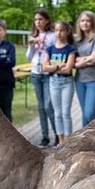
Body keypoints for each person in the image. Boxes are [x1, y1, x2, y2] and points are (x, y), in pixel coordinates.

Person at [26, 8, 58, 147]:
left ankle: (58, 134)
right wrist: (30, 46)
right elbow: (29, 57)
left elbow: (55, 53)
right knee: (40, 107)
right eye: (36, 20)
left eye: (40, 19)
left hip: (47, 74)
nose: (38, 22)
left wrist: (44, 43)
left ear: (47, 20)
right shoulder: (33, 35)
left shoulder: (52, 36)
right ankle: (45, 136)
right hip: (35, 73)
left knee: (48, 106)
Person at [43, 22, 77, 145]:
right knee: (57, 113)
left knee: (65, 113)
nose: (59, 33)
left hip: (66, 83)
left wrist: (52, 67)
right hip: (54, 83)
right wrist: (58, 66)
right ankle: (61, 141)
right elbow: (44, 67)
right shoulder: (50, 48)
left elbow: (68, 69)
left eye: (62, 30)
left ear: (67, 31)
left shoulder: (71, 49)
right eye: (56, 30)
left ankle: (68, 141)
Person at [74, 11, 95, 127]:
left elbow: (94, 58)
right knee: (84, 115)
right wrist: (83, 60)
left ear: (92, 23)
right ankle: (85, 143)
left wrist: (78, 63)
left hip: (94, 79)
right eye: (82, 21)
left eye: (88, 21)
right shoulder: (77, 40)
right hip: (79, 80)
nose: (85, 23)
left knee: (90, 113)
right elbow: (73, 58)